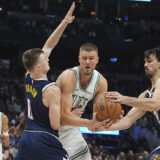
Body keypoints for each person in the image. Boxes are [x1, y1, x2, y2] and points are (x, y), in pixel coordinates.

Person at [14, 2, 76, 160]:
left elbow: (49, 45)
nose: (48, 59)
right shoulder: (52, 90)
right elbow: (56, 125)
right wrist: (72, 116)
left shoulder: (28, 76)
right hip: (45, 141)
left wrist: (64, 22)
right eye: (45, 60)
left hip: (27, 139)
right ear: (38, 66)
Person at [105, 46, 160, 160]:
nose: (145, 65)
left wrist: (124, 98)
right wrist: (98, 127)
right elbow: (127, 121)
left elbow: (155, 104)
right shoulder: (146, 95)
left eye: (149, 61)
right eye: (144, 62)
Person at [56, 42, 109, 160]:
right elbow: (63, 116)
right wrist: (87, 123)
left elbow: (98, 114)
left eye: (91, 58)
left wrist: (101, 121)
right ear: (79, 59)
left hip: (71, 128)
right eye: (84, 58)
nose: (88, 62)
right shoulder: (68, 76)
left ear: (97, 60)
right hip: (50, 126)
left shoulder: (101, 83)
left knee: (85, 157)